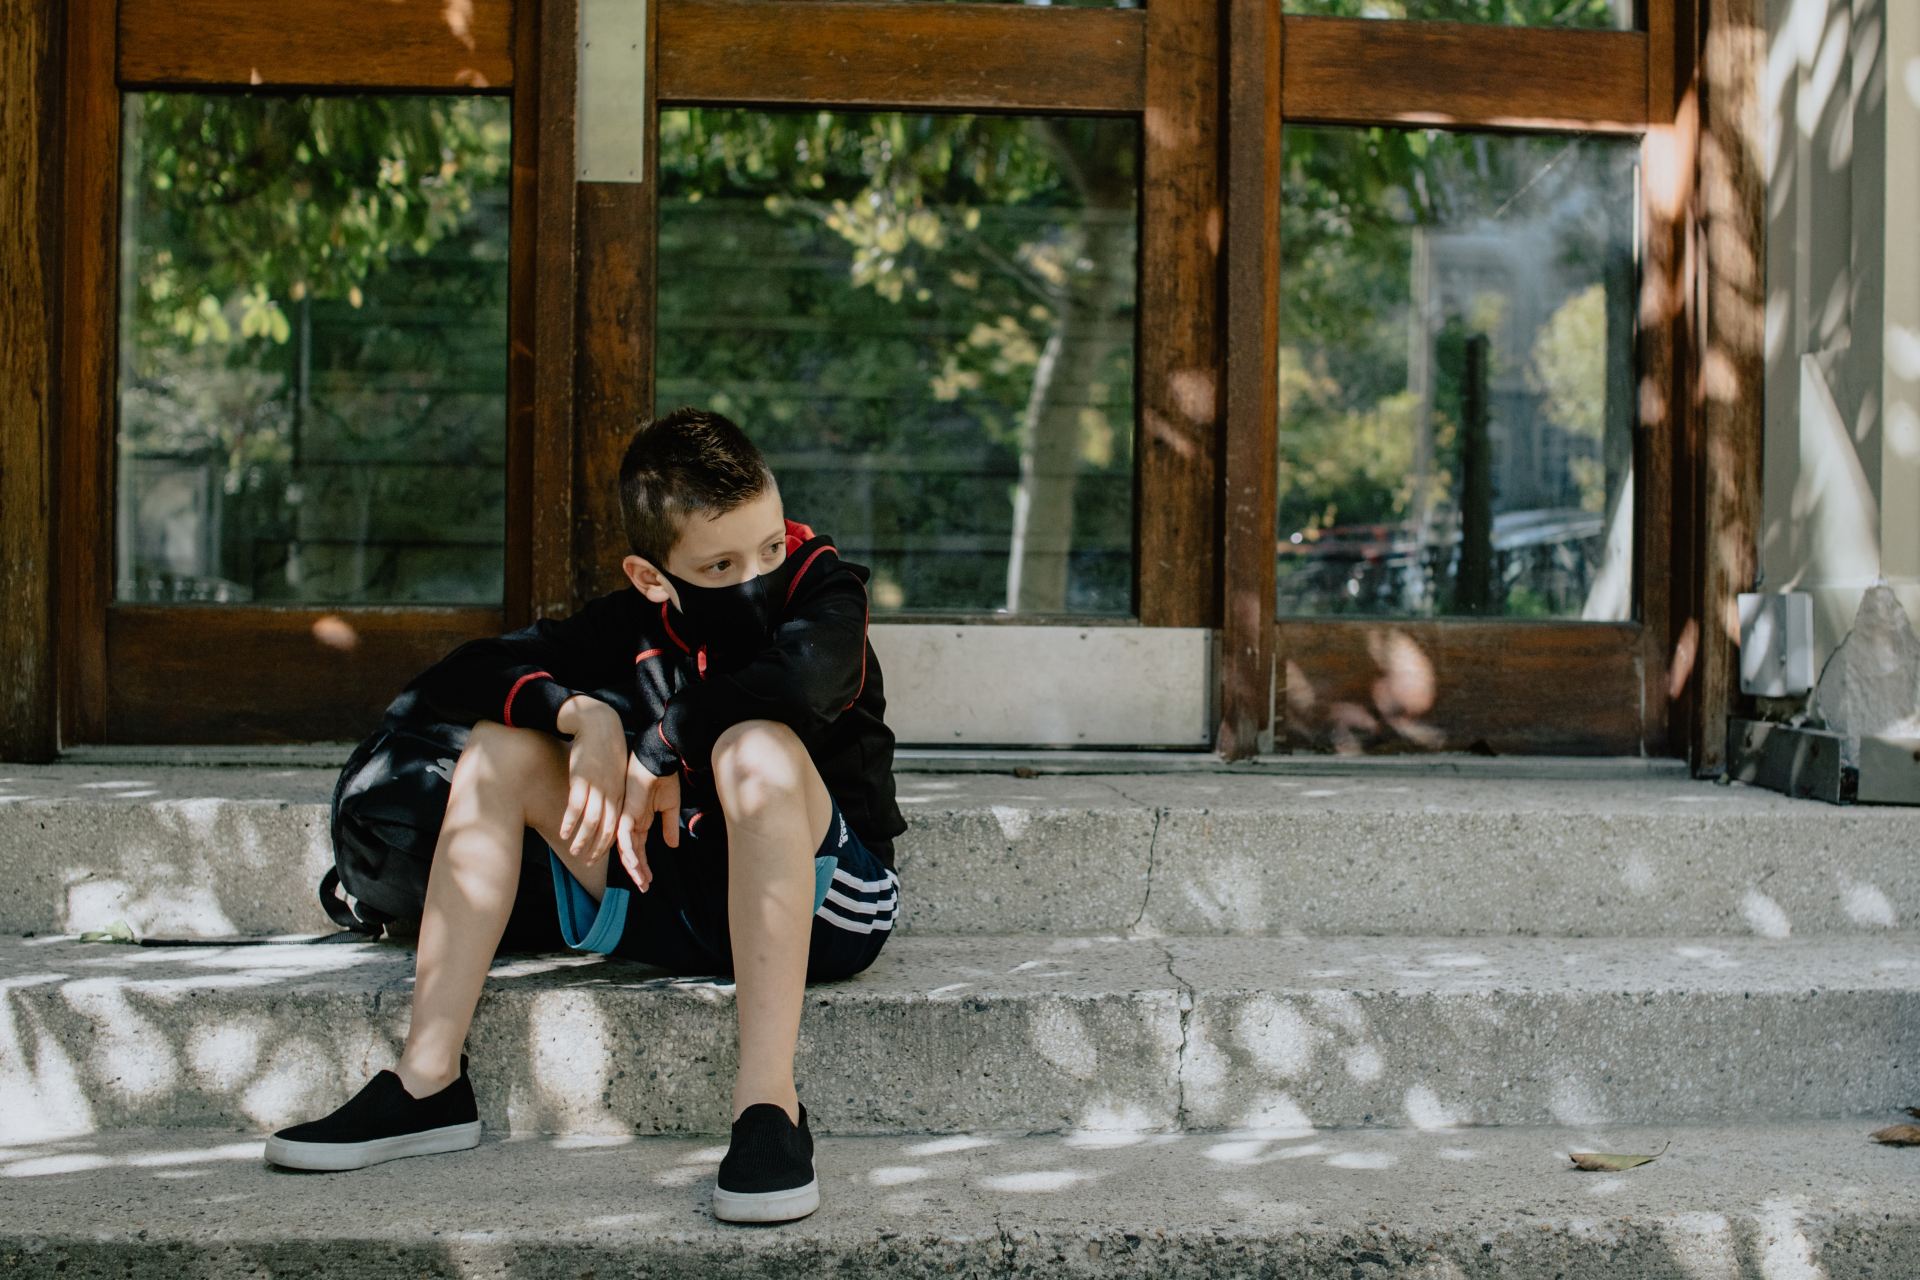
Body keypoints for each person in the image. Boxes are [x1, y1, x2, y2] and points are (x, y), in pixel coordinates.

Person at [263, 407, 905, 1225]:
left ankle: (769, 1110)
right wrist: (578, 715)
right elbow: (438, 687)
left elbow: (809, 678)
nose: (759, 575)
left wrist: (660, 744)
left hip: (824, 904)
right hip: (671, 889)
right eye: (721, 564)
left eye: (770, 547)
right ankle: (428, 1083)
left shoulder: (822, 583)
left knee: (754, 746)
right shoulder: (627, 624)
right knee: (498, 747)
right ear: (652, 576)